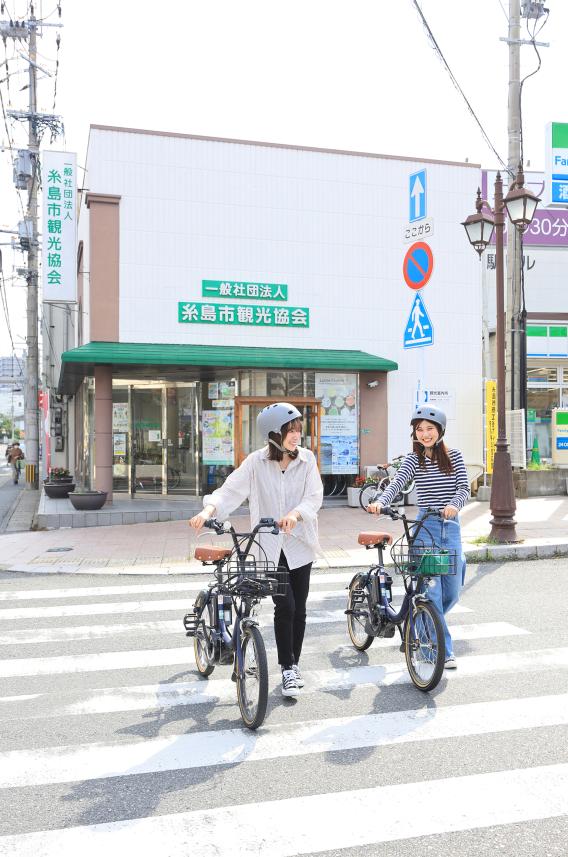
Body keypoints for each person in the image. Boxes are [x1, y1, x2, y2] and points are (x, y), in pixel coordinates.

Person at [189, 403, 323, 697]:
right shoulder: (255, 462)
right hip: (269, 546)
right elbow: (230, 490)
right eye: (290, 431)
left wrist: (295, 514)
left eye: (298, 429)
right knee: (285, 606)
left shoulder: (307, 459)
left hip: (300, 544)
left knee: (300, 608)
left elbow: (314, 497)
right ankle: (287, 668)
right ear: (274, 434)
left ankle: (293, 665)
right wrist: (208, 511)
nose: (296, 436)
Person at [368, 405, 469, 669]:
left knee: (452, 591)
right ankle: (442, 650)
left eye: (430, 429)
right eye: (420, 430)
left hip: (450, 526)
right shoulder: (414, 460)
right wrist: (380, 502)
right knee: (431, 592)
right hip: (425, 528)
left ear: (440, 431)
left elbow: (463, 488)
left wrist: (454, 505)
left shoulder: (455, 456)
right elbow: (397, 483)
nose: (425, 434)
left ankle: (420, 626)